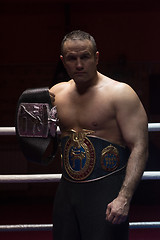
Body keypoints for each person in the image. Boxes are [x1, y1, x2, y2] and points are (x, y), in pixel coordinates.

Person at [49, 30, 148, 240]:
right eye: (71, 58)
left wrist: (124, 197)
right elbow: (44, 146)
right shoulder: (56, 94)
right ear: (62, 61)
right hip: (67, 192)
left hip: (106, 191)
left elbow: (140, 146)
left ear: (96, 57)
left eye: (84, 56)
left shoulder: (120, 94)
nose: (78, 64)